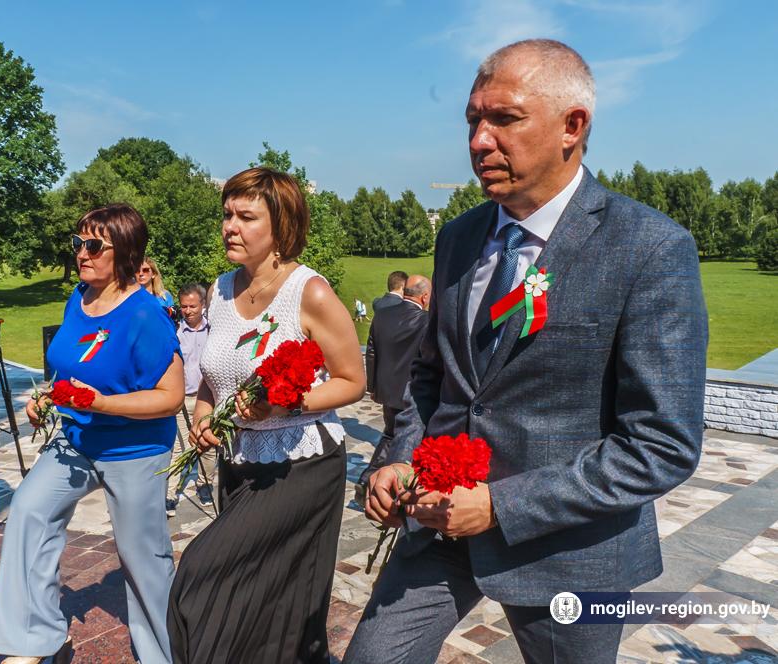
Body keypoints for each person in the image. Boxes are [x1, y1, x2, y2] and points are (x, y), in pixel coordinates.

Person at [345, 39, 708, 664]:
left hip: (569, 550)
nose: (479, 141)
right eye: (472, 120)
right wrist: (400, 459)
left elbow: (662, 444)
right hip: (437, 522)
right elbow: (432, 378)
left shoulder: (649, 247)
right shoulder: (458, 238)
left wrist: (499, 505)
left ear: (573, 126)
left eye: (504, 119)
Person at [169, 167, 366, 663]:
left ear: (281, 227)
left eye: (246, 217)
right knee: (269, 605)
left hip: (301, 465)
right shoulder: (219, 290)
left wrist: (287, 401)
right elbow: (215, 374)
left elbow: (352, 381)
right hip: (239, 463)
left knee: (200, 573)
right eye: (226, 215)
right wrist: (204, 414)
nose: (230, 227)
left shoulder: (310, 292)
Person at [0, 204, 184, 664]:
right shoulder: (78, 297)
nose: (81, 253)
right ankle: (34, 640)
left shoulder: (146, 314)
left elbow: (171, 396)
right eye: (78, 242)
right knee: (29, 512)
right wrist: (48, 397)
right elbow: (73, 367)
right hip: (76, 440)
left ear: (126, 251)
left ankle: (165, 655)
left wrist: (102, 404)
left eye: (94, 245)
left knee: (142, 555)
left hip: (135, 447)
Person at [356, 274, 431, 503]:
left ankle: (367, 482)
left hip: (387, 390)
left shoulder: (382, 315)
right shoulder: (426, 321)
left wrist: (373, 386)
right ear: (424, 297)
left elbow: (371, 352)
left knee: (390, 435)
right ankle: (386, 487)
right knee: (405, 440)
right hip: (413, 392)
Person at [166, 283, 215, 516]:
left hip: (208, 398)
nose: (187, 311)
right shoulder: (175, 331)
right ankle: (170, 494)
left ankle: (205, 484)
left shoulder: (213, 330)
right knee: (179, 447)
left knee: (207, 445)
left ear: (202, 305)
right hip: (183, 398)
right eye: (184, 306)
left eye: (192, 306)